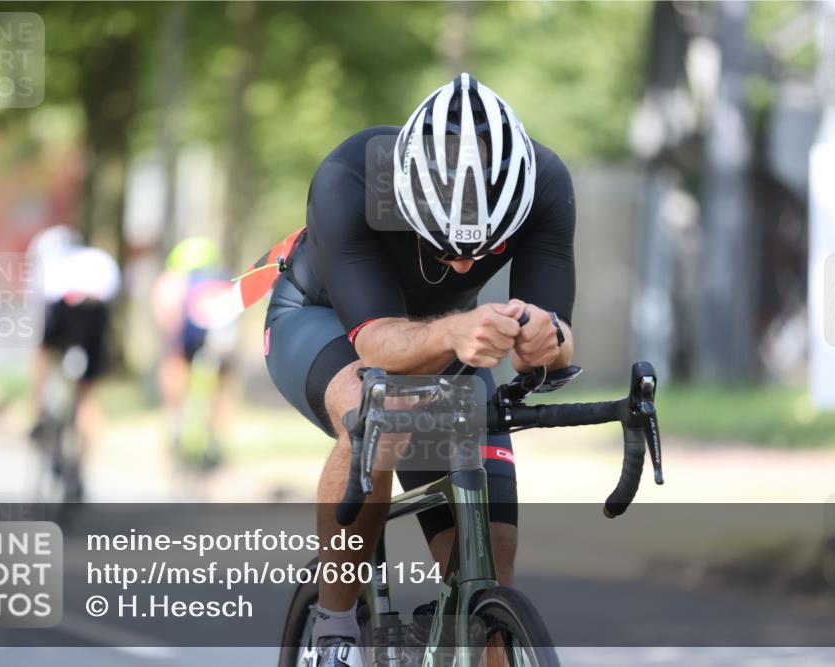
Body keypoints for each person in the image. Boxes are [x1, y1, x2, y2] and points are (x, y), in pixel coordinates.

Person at [264, 73, 575, 666]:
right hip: (322, 321)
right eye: (442, 247)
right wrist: (457, 329)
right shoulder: (350, 177)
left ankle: (461, 625)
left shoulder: (546, 183)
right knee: (380, 410)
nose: (462, 267)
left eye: (480, 250)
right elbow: (377, 346)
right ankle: (333, 632)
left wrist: (546, 339)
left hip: (447, 337)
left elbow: (559, 336)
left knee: (489, 566)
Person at [27, 225, 121, 498]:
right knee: (87, 395)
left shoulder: (45, 267)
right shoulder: (98, 260)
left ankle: (41, 414)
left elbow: (38, 318)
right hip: (95, 313)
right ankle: (80, 464)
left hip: (61, 313)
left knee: (42, 355)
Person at [151, 236, 238, 468]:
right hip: (220, 335)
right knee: (222, 379)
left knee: (173, 360)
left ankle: (175, 418)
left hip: (187, 335)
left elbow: (166, 317)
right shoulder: (222, 277)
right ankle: (218, 435)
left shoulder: (175, 278)